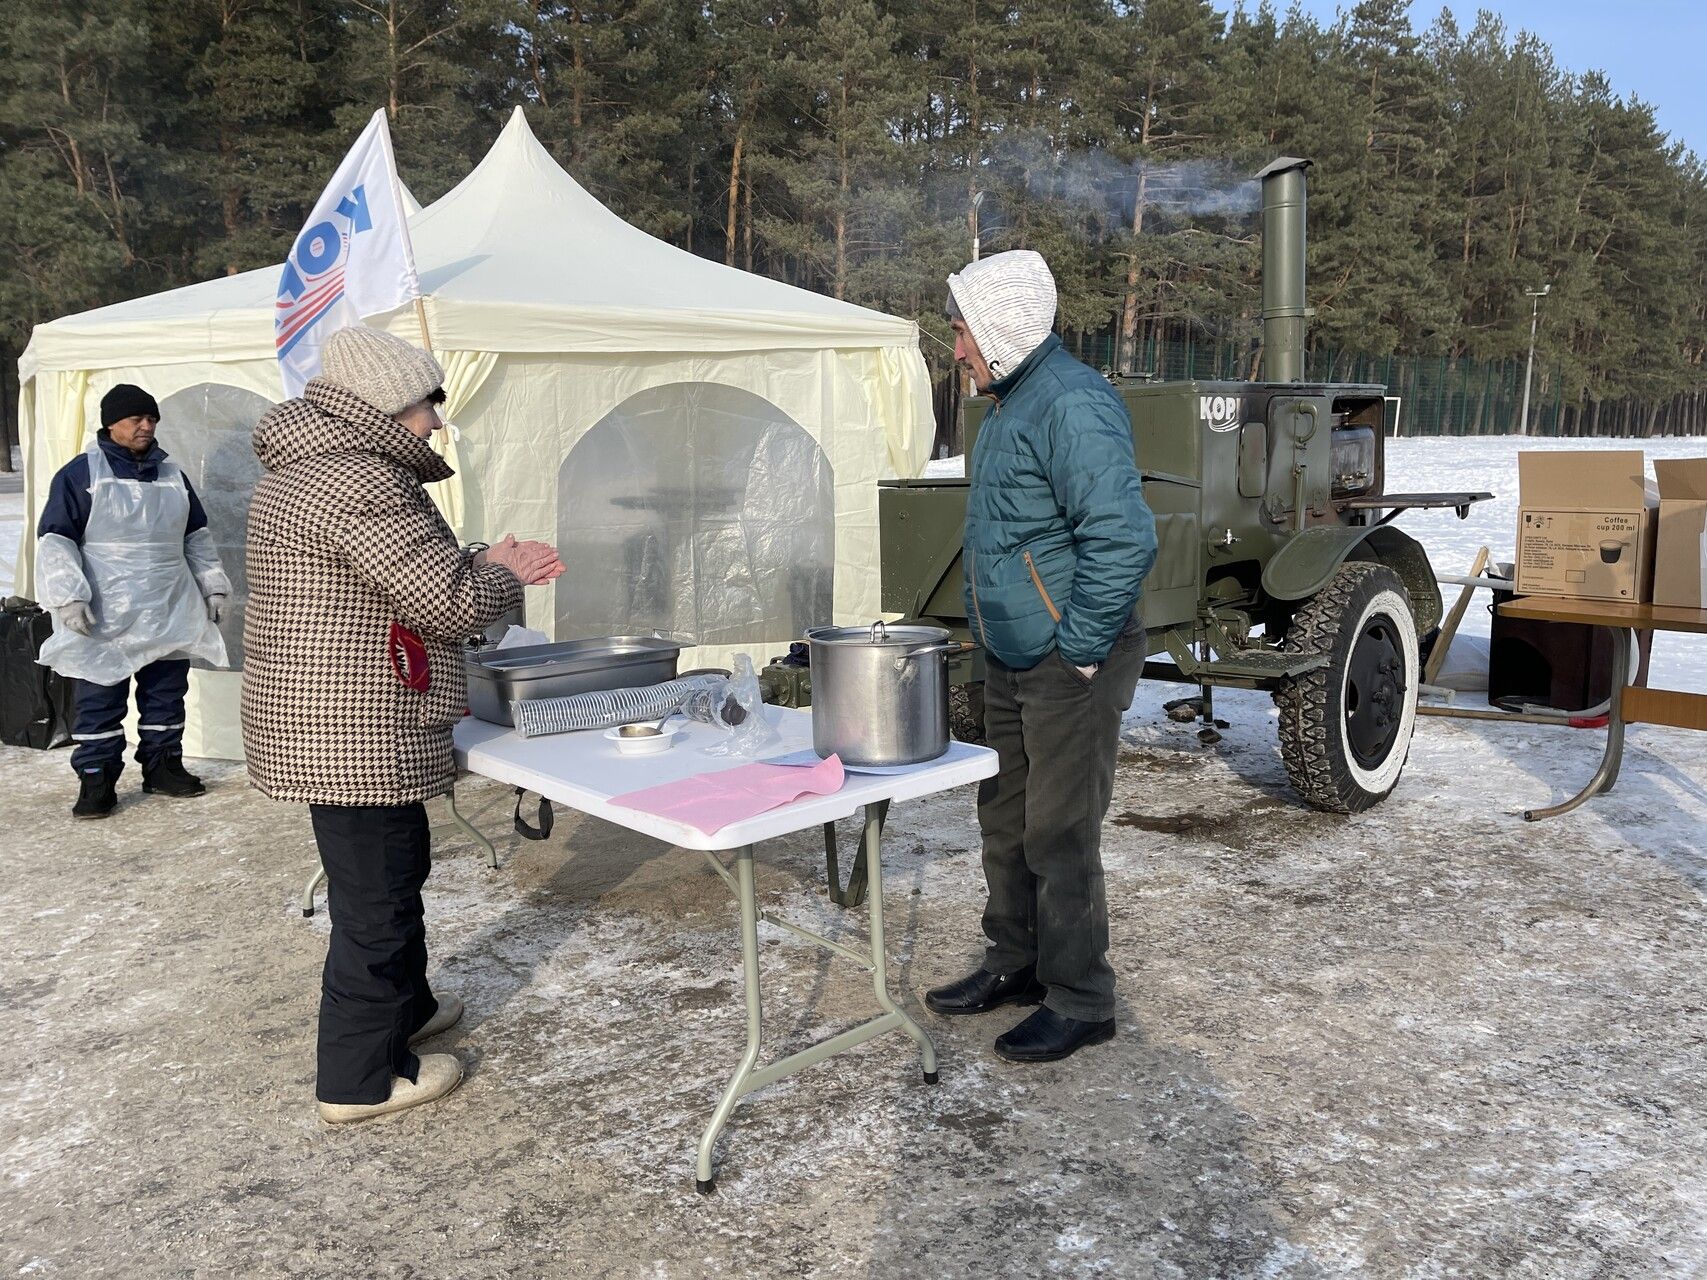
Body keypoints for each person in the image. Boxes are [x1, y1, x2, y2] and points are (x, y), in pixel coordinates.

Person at [242, 325, 564, 1124]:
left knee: (397, 865)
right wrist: (503, 571)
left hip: (331, 718)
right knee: (375, 902)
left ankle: (406, 1008)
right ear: (383, 406)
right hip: (354, 726)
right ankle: (358, 1079)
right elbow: (445, 604)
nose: (436, 422)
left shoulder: (316, 471)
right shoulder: (360, 483)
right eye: (427, 404)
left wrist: (478, 562)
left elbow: (397, 582)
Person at [924, 250, 1157, 1064]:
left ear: (1001, 327)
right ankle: (1016, 963)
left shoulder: (1070, 403)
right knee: (1004, 821)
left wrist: (1081, 649)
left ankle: (1082, 996)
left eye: (960, 331)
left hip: (1068, 660)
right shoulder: (1009, 406)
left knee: (1058, 834)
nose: (955, 350)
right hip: (1012, 656)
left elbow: (1123, 537)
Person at [35, 384, 232, 819]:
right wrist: (68, 596)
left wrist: (212, 584)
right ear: (111, 423)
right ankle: (96, 777)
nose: (147, 426)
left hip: (169, 603)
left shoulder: (172, 475)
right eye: (136, 419)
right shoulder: (80, 474)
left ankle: (163, 766)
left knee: (166, 694)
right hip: (107, 608)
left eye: (151, 418)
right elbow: (56, 540)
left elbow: (196, 538)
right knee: (99, 696)